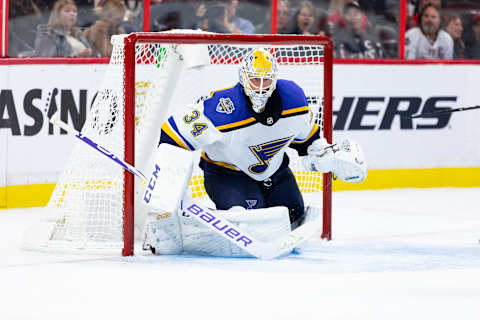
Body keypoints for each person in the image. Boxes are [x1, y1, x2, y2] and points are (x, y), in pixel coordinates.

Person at [145, 48, 367, 256]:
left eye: (266, 80)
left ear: (275, 79)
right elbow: (172, 134)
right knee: (253, 227)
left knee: (293, 218)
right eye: (255, 80)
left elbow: (307, 139)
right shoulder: (223, 108)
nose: (261, 87)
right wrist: (171, 186)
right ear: (244, 78)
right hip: (227, 176)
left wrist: (325, 157)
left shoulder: (293, 99)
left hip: (276, 172)